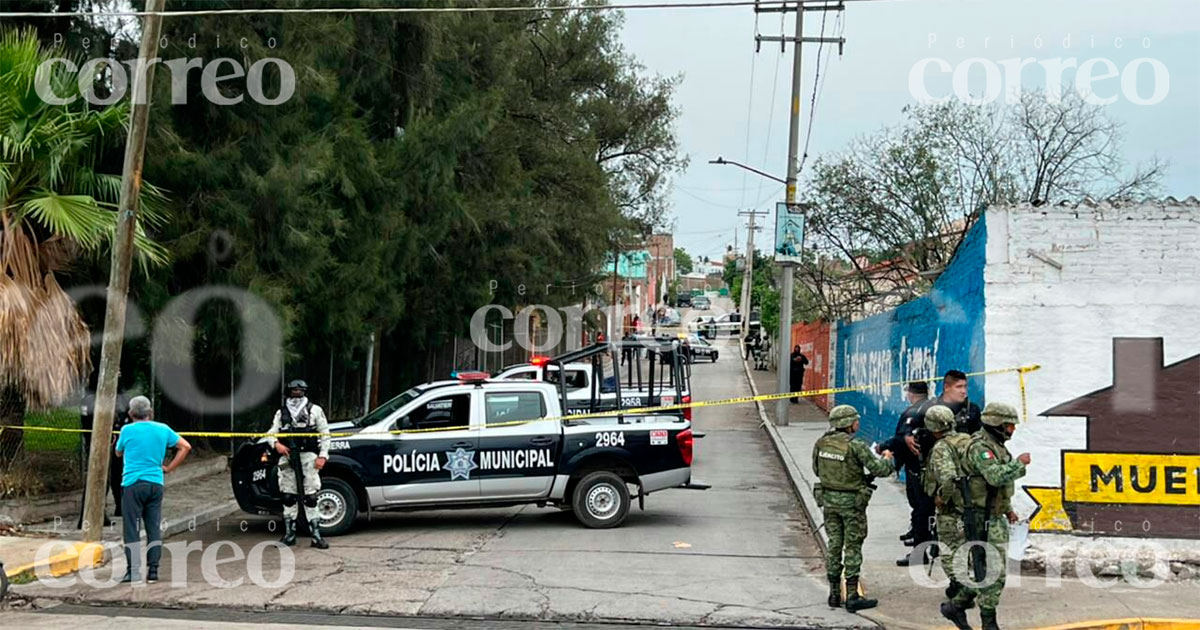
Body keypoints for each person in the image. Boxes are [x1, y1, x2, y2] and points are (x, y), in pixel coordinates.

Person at [942, 402, 1030, 630]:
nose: (1013, 430)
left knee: (989, 570)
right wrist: (1018, 464)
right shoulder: (981, 448)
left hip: (994, 515)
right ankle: (988, 622)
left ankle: (957, 605)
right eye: (1010, 426)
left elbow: (997, 488)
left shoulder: (996, 446)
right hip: (981, 518)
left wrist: (1008, 507)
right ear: (997, 424)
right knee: (994, 572)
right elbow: (994, 477)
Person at [812, 405, 896, 613]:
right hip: (852, 504)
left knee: (834, 545)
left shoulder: (822, 442)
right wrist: (887, 457)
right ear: (848, 423)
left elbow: (816, 469)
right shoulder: (855, 445)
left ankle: (833, 593)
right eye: (855, 420)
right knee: (852, 546)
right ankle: (851, 595)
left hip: (829, 502)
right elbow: (880, 470)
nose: (858, 423)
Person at [114, 396, 191, 583]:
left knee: (132, 528)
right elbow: (185, 446)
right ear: (150, 412)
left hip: (132, 483)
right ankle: (154, 570)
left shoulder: (127, 430)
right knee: (153, 527)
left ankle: (133, 571)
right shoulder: (163, 429)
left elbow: (118, 452)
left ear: (131, 413)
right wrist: (169, 467)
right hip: (156, 482)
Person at [266, 379, 332, 548]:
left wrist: (323, 456)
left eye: (299, 390)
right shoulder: (281, 413)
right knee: (288, 496)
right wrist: (276, 445)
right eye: (293, 391)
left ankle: (316, 535)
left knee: (311, 497)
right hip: (287, 456)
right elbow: (271, 433)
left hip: (308, 456)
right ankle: (289, 535)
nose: (296, 393)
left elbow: (325, 433)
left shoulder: (315, 410)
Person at [922, 405, 975, 607]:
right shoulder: (967, 440)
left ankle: (964, 590)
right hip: (972, 506)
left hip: (953, 508)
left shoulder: (942, 448)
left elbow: (948, 478)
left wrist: (942, 498)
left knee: (949, 549)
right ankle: (961, 586)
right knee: (965, 548)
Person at [78, 392, 131, 527]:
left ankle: (119, 507)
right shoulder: (93, 399)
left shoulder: (118, 397)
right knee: (100, 478)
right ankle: (91, 515)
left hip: (108, 440)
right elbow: (88, 422)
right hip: (101, 442)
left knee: (115, 474)